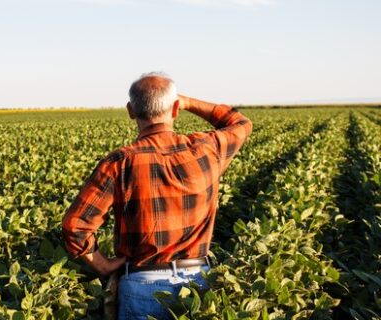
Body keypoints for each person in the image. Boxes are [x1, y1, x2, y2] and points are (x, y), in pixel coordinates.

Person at [61, 72, 252, 319]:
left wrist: (103, 264)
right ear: (175, 109)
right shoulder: (206, 149)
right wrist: (188, 102)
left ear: (131, 111)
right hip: (197, 283)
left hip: (142, 284)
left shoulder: (119, 162)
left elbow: (75, 226)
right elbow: (240, 124)